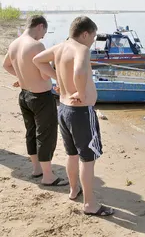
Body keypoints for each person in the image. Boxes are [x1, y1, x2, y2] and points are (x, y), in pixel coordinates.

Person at [33, 16, 114, 216]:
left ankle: (73, 189)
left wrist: (58, 77)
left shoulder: (60, 47)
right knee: (88, 159)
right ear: (85, 33)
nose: (93, 41)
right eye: (93, 36)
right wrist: (81, 91)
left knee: (72, 154)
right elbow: (78, 71)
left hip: (63, 108)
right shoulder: (82, 49)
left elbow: (37, 60)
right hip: (80, 112)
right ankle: (90, 205)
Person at [2, 15, 68, 186]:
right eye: (44, 32)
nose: (43, 37)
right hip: (41, 97)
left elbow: (6, 65)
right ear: (40, 26)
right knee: (46, 134)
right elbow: (44, 74)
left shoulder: (14, 44)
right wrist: (57, 74)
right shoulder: (36, 45)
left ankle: (36, 169)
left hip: (24, 96)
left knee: (31, 132)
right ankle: (48, 176)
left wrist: (22, 75)